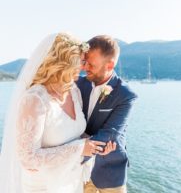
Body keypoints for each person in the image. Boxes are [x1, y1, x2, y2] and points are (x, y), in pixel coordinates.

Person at [0, 33, 116, 193]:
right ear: (64, 63)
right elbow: (28, 159)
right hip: (43, 187)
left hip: (72, 182)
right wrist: (80, 149)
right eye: (81, 61)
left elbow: (74, 135)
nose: (84, 67)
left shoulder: (73, 91)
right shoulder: (35, 99)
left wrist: (96, 146)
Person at [77, 35, 137, 193]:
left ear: (110, 65)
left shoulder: (125, 94)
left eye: (91, 64)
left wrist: (70, 155)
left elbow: (110, 134)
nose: (85, 68)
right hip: (79, 173)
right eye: (85, 62)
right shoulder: (77, 85)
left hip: (110, 172)